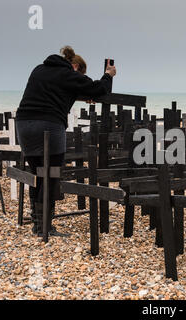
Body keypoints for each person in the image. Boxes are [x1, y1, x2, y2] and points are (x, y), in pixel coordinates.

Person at [15, 46, 116, 237]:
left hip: (23, 125)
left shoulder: (39, 69)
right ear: (76, 66)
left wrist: (77, 95)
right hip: (49, 126)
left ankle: (38, 224)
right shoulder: (69, 74)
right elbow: (99, 89)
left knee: (37, 173)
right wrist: (108, 75)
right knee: (52, 175)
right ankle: (46, 226)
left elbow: (54, 92)